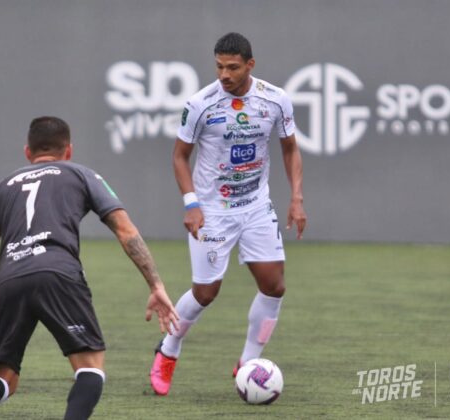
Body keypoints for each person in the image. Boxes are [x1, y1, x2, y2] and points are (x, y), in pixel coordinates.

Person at [0, 116, 179, 419]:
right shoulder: (80, 173)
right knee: (90, 369)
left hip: (9, 280)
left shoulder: (2, 187)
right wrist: (155, 285)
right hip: (58, 273)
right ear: (68, 150)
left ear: (27, 151)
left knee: (3, 378)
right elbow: (125, 229)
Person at [149, 32, 306, 396]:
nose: (224, 74)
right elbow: (179, 156)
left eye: (232, 67)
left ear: (250, 65)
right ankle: (168, 349)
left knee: (274, 286)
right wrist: (191, 203)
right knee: (206, 292)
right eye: (219, 66)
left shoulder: (275, 100)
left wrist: (296, 197)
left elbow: (290, 148)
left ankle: (248, 364)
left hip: (255, 206)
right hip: (213, 211)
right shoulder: (200, 104)